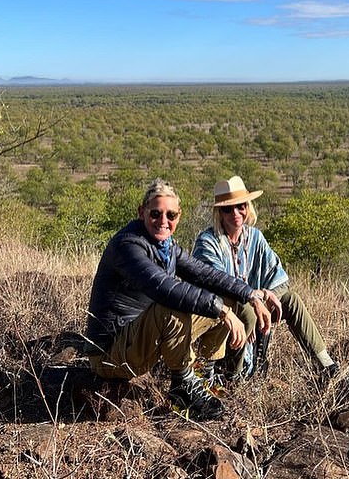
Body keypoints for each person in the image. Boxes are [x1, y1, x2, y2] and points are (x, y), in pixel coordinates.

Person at [84, 178, 272, 421]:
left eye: (170, 215)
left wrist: (251, 295)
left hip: (140, 340)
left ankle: (203, 371)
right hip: (110, 353)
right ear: (142, 213)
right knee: (173, 306)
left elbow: (206, 274)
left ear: (178, 217)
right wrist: (222, 312)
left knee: (227, 296)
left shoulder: (167, 247)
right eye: (156, 214)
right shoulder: (128, 245)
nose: (163, 221)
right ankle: (183, 385)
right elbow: (163, 287)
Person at [192, 175, 339, 383]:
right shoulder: (207, 242)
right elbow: (217, 283)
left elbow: (279, 280)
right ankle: (231, 376)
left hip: (252, 309)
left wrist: (261, 302)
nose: (236, 213)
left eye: (240, 206)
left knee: (290, 299)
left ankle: (327, 365)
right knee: (247, 312)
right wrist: (256, 299)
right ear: (219, 213)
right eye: (228, 208)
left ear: (248, 206)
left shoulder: (255, 238)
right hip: (221, 319)